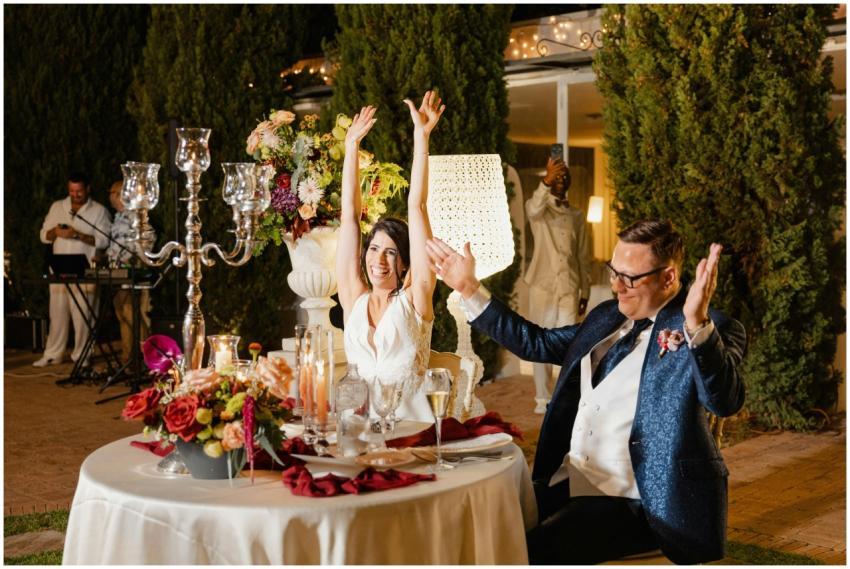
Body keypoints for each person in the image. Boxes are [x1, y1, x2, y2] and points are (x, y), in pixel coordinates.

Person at [426, 219, 746, 564]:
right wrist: (469, 288)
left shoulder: (708, 327)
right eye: (613, 272)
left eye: (630, 278)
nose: (617, 287)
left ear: (668, 278)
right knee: (480, 530)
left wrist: (697, 324)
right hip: (570, 482)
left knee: (526, 554)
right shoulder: (607, 316)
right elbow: (536, 343)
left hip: (644, 502)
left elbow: (725, 400)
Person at [337, 91, 445, 422]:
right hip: (355, 432)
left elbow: (418, 205)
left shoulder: (416, 299)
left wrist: (421, 138)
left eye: (390, 253)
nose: (378, 261)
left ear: (406, 263)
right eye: (373, 249)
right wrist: (351, 148)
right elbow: (349, 216)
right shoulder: (354, 298)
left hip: (412, 434)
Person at [525, 156, 592, 414]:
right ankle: (542, 397)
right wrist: (545, 181)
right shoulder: (540, 212)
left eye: (565, 177)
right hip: (542, 285)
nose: (561, 181)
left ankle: (561, 394)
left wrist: (584, 290)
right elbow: (532, 207)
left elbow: (582, 255)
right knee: (540, 340)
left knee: (567, 342)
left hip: (570, 286)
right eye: (557, 178)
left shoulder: (577, 215)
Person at [34, 172, 111, 367]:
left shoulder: (99, 210)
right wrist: (55, 232)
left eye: (79, 191)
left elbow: (103, 240)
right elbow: (44, 235)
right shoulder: (57, 207)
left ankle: (82, 355)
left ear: (87, 189)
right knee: (57, 313)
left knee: (83, 313)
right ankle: (53, 354)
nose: (75, 195)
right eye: (71, 191)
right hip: (59, 267)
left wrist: (77, 235)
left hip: (85, 268)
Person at [106, 181, 153, 363]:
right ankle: (128, 358)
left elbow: (149, 238)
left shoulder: (136, 215)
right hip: (117, 274)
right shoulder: (118, 217)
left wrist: (133, 257)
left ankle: (137, 360)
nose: (112, 197)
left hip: (133, 275)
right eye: (111, 193)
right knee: (122, 317)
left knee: (133, 317)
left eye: (115, 193)